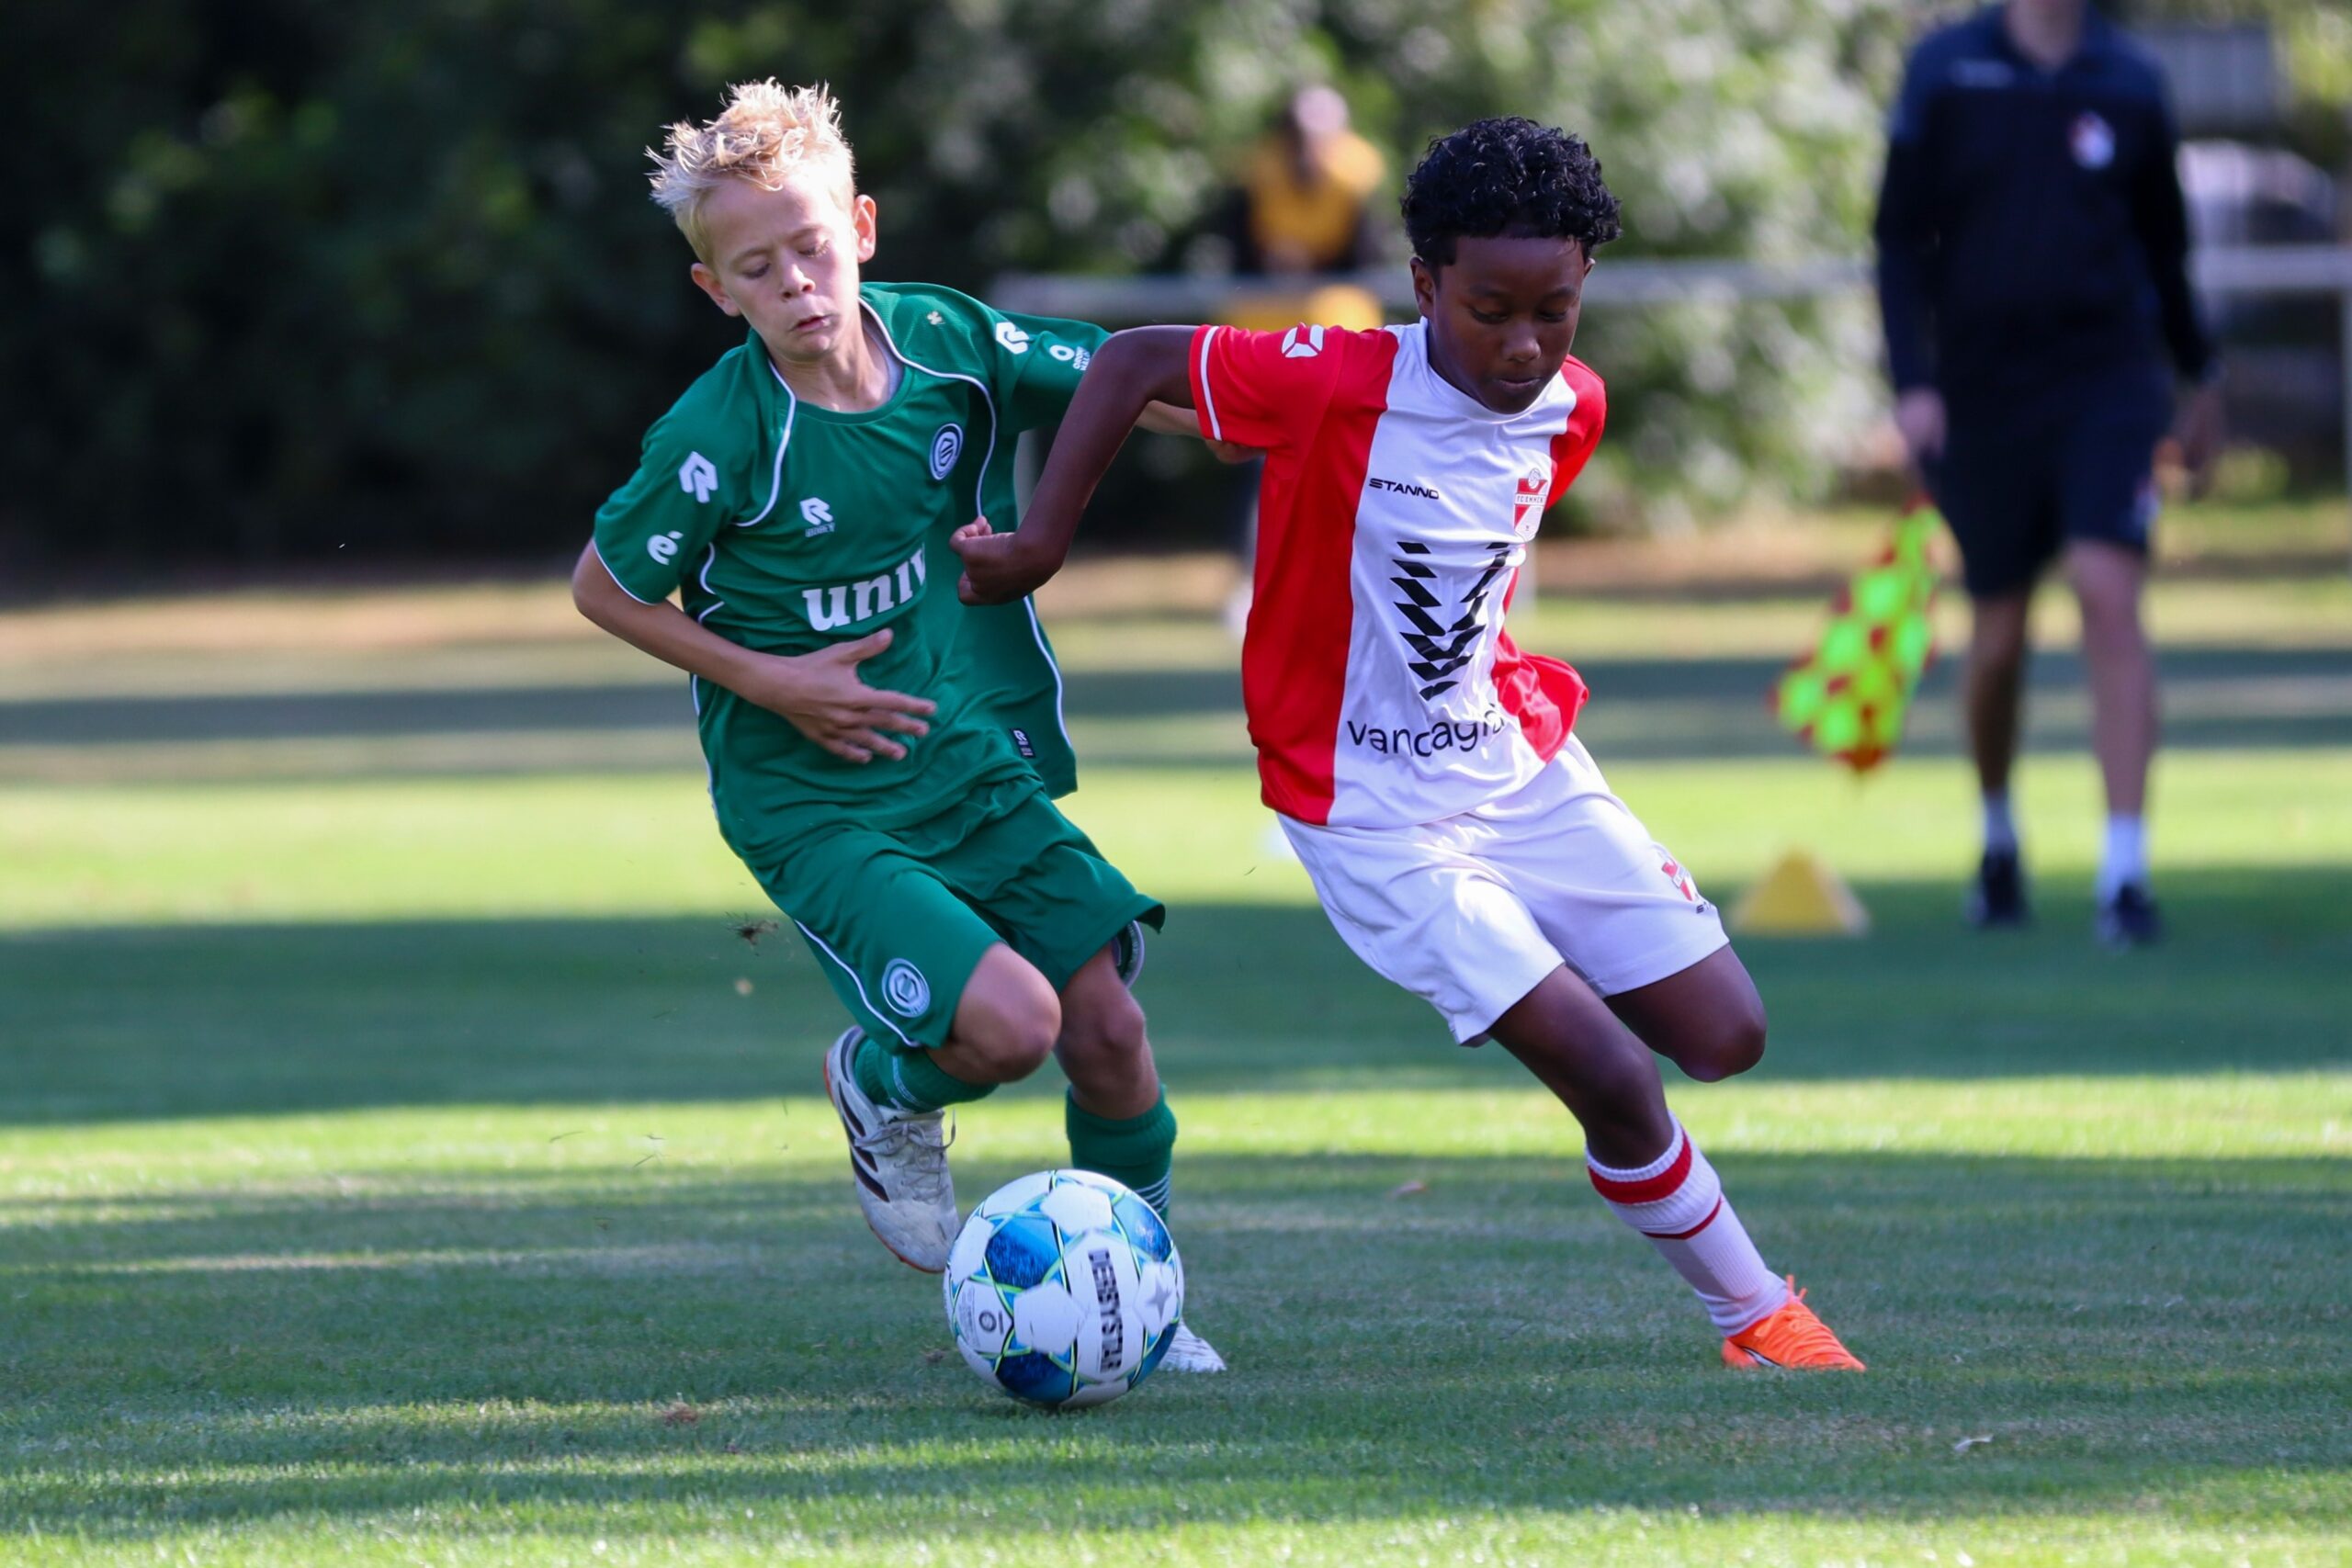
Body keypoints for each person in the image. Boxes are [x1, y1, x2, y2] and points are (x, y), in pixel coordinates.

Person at [956, 118, 1864, 1371]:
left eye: (1554, 308)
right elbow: (1131, 361)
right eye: (1489, 308)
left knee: (1725, 1033)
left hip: (1517, 770)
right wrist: (1044, 540)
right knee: (1613, 1072)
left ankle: (1549, 993)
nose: (1525, 342)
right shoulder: (1335, 381)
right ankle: (1757, 1315)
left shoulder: (1573, 408)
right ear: (1427, 283)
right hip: (1369, 809)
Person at [571, 80, 1224, 1372]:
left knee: (1107, 1030)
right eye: (756, 268)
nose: (796, 283)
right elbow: (605, 587)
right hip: (811, 791)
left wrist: (1275, 421)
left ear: (860, 227)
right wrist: (775, 680)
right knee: (1013, 1027)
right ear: (720, 293)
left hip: (960, 755)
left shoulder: (946, 345)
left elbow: (1126, 381)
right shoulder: (723, 433)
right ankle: (883, 1082)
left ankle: (1142, 1295)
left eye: (811, 246)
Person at [1873, 0, 2224, 947]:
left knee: (2109, 596)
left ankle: (2125, 873)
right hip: (1982, 391)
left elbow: (2167, 245)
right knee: (1997, 636)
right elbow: (1899, 242)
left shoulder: (2131, 76)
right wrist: (1913, 384)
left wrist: (2201, 377)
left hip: (2109, 383)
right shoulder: (1946, 70)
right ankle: (1996, 838)